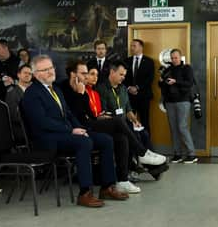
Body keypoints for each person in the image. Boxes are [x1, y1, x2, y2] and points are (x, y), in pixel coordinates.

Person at [21, 55, 129, 207]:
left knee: (106, 140)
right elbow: (42, 122)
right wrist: (71, 130)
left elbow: (69, 114)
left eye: (51, 68)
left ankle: (107, 187)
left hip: (64, 133)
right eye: (45, 70)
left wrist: (81, 128)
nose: (51, 72)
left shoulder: (55, 89)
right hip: (46, 139)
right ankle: (85, 193)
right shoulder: (32, 94)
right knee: (83, 143)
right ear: (36, 74)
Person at [59, 60, 164, 194]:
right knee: (118, 122)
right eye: (84, 73)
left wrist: (100, 116)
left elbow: (89, 114)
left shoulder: (84, 88)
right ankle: (141, 152)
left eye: (87, 73)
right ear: (73, 74)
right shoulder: (64, 88)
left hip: (90, 123)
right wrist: (80, 94)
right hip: (78, 127)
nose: (86, 77)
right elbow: (73, 114)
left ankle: (122, 180)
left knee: (121, 137)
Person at [157, 49, 197, 164]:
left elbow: (189, 83)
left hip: (183, 100)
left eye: (176, 57)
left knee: (182, 127)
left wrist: (176, 81)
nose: (174, 60)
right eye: (172, 58)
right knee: (173, 128)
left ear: (180, 58)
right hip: (169, 101)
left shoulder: (187, 68)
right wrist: (161, 81)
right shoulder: (168, 70)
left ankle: (192, 154)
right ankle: (177, 154)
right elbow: (161, 85)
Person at [124, 39, 155, 134]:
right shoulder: (126, 61)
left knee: (145, 121)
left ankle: (147, 146)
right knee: (129, 121)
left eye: (134, 46)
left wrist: (137, 88)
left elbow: (150, 78)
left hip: (144, 96)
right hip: (129, 96)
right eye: (131, 46)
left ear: (141, 47)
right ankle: (132, 145)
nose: (131, 48)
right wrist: (129, 88)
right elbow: (123, 77)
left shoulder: (149, 61)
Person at [4, 64, 33, 143]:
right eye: (25, 73)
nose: (27, 75)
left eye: (30, 73)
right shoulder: (12, 92)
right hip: (22, 129)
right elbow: (14, 116)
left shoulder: (35, 92)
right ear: (18, 75)